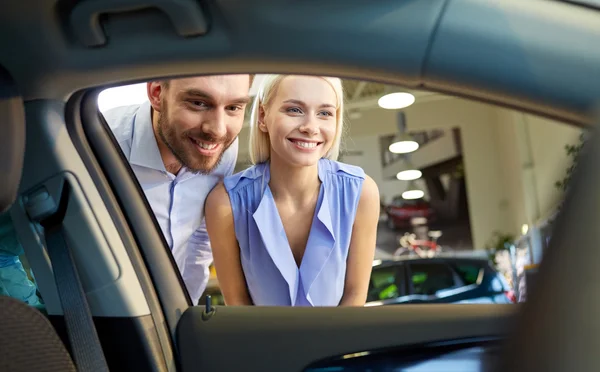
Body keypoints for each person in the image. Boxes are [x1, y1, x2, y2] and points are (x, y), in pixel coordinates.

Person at [205, 74, 380, 306]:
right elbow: (238, 305)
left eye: (325, 113)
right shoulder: (225, 203)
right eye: (294, 110)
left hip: (342, 341)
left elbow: (355, 297)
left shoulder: (361, 193)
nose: (310, 127)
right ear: (262, 117)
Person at [103, 75, 252, 305]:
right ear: (156, 93)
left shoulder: (220, 149)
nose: (218, 130)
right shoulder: (100, 145)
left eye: (233, 107)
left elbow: (201, 237)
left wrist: (183, 308)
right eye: (198, 103)